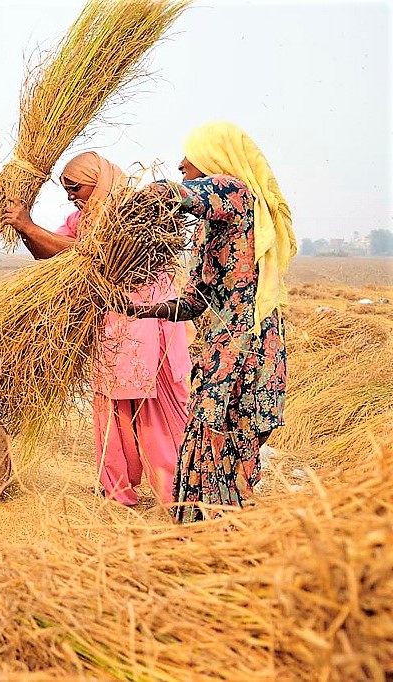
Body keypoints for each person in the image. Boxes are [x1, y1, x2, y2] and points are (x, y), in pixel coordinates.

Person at [125, 122, 294, 523]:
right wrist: (144, 310)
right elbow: (196, 300)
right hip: (225, 343)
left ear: (213, 160)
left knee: (227, 439)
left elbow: (171, 192)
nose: (182, 164)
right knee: (216, 441)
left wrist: (124, 207)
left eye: (190, 157)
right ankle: (218, 535)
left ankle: (220, 534)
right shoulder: (213, 225)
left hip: (245, 344)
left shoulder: (235, 192)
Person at [4, 151, 192, 507]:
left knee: (152, 405)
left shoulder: (134, 213)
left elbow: (94, 253)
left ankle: (177, 489)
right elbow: (49, 253)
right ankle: (117, 487)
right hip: (112, 324)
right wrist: (24, 228)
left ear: (99, 179)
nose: (72, 195)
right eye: (67, 189)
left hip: (146, 318)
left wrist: (30, 226)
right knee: (111, 405)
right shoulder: (82, 218)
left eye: (76, 187)